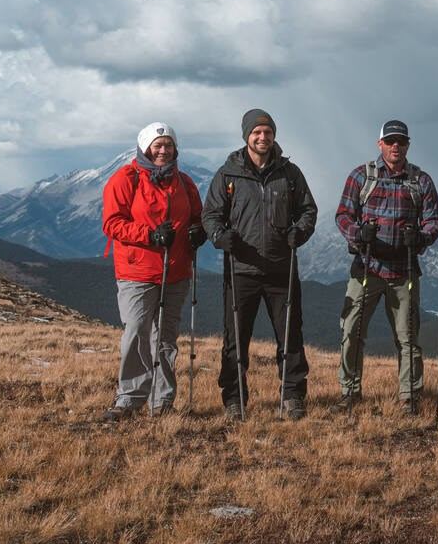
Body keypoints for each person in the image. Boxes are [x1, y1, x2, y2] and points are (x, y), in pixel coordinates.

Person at [202, 109, 318, 420]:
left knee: (290, 335)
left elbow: (308, 210)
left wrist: (300, 232)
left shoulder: (289, 174)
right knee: (235, 338)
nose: (262, 137)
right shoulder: (228, 175)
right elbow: (210, 214)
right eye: (257, 132)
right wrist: (218, 236)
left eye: (267, 132)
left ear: (274, 135)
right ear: (246, 136)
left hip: (282, 269)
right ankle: (234, 400)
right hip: (241, 270)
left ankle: (292, 396)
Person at [334, 119, 438, 416]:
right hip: (366, 267)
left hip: (404, 270)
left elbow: (434, 222)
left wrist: (420, 237)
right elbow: (343, 215)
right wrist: (358, 234)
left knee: (407, 337)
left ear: (408, 145)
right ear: (380, 143)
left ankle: (409, 398)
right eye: (391, 141)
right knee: (352, 330)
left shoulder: (421, 181)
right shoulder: (362, 176)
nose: (396, 146)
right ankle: (350, 393)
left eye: (402, 142)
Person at [100, 121, 206, 421]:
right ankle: (130, 398)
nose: (163, 150)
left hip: (176, 272)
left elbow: (197, 216)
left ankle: (162, 401)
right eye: (157, 145)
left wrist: (199, 231)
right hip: (137, 271)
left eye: (168, 145)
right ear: (145, 147)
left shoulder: (184, 182)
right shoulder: (125, 179)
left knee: (166, 337)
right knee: (136, 330)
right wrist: (149, 234)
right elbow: (112, 223)